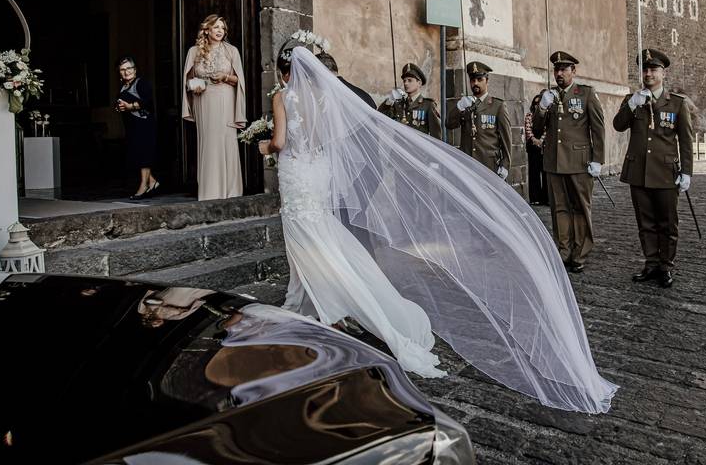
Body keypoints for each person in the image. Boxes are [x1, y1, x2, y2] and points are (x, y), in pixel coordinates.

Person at [258, 45, 616, 413]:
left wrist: (264, 144)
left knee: (308, 240)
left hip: (299, 176)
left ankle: (326, 302)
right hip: (315, 176)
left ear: (285, 72)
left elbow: (282, 142)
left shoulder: (284, 98)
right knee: (318, 241)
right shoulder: (322, 100)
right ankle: (311, 301)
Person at [614, 48, 693, 289]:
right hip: (638, 172)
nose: (648, 74)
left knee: (668, 223)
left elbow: (686, 141)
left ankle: (666, 266)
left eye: (653, 69)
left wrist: (687, 172)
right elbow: (618, 125)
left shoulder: (677, 103)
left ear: (663, 73)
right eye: (645, 69)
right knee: (645, 222)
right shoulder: (632, 100)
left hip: (665, 172)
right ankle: (651, 262)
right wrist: (631, 105)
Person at [531, 51, 605, 274]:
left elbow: (598, 128)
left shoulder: (586, 94)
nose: (559, 73)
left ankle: (580, 253)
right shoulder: (548, 96)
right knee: (559, 209)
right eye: (556, 69)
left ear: (574, 71)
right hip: (554, 162)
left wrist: (598, 159)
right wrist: (542, 108)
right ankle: (563, 250)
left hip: (579, 162)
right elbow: (536, 129)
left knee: (580, 209)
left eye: (564, 69)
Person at [182, 14, 246, 200]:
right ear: (207, 29)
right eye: (216, 27)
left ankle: (231, 190)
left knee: (226, 142)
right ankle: (210, 191)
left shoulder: (231, 51)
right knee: (209, 143)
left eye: (223, 28)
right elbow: (187, 81)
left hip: (225, 100)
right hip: (204, 101)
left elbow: (239, 81)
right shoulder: (194, 51)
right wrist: (195, 85)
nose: (220, 31)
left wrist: (225, 77)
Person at [445, 62, 513, 181]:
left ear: (487, 81)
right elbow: (449, 124)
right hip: (467, 165)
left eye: (479, 79)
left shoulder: (498, 106)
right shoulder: (465, 104)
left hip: (489, 167)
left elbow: (506, 139)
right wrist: (459, 107)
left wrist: (505, 165)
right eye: (472, 80)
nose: (475, 83)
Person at [115, 57, 159, 200]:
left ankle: (144, 186)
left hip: (144, 124)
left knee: (143, 155)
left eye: (128, 68)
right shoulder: (123, 86)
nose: (126, 72)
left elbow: (148, 102)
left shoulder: (141, 83)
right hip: (132, 126)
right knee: (136, 154)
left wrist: (130, 106)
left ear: (134, 70)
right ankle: (152, 182)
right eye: (122, 69)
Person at [379, 63, 441, 138]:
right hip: (399, 148)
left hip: (418, 148)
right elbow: (379, 116)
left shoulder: (428, 105)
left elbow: (436, 136)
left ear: (419, 83)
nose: (406, 83)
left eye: (409, 80)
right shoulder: (398, 104)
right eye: (404, 81)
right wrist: (389, 100)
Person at [525, 94, 548, 205]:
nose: (536, 105)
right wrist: (534, 140)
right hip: (532, 145)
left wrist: (541, 140)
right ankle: (535, 198)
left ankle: (545, 197)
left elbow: (546, 129)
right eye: (534, 103)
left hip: (543, 145)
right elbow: (528, 129)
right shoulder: (529, 115)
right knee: (533, 172)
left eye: (538, 103)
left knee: (544, 172)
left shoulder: (545, 116)